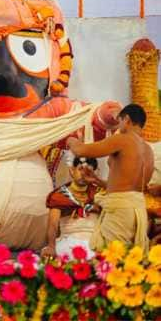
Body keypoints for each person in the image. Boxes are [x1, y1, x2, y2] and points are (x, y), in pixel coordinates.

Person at [67, 103, 154, 252]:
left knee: (109, 259)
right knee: (128, 262)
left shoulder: (123, 139)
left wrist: (71, 139)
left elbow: (81, 151)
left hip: (120, 211)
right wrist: (97, 181)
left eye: (119, 122)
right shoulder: (148, 150)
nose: (118, 127)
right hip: (137, 210)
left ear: (126, 119)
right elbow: (130, 187)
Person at [41, 157, 102, 259]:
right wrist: (51, 246)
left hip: (95, 242)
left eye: (88, 171)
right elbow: (53, 225)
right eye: (80, 169)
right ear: (72, 171)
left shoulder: (99, 193)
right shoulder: (60, 195)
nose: (83, 174)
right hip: (69, 241)